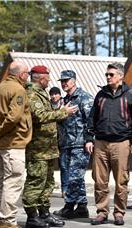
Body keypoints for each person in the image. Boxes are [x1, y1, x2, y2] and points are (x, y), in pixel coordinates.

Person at [85, 62, 132, 226]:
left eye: (111, 74)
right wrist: (89, 138)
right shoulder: (100, 94)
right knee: (100, 181)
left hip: (122, 143)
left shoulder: (131, 94)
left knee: (121, 181)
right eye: (107, 75)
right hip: (101, 143)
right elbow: (92, 119)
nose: (108, 77)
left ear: (121, 76)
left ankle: (119, 213)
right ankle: (102, 212)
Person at [22, 65, 78, 228]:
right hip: (37, 149)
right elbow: (39, 116)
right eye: (47, 77)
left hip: (47, 149)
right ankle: (32, 217)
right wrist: (63, 112)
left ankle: (44, 214)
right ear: (41, 78)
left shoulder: (41, 93)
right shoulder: (32, 94)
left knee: (47, 183)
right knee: (35, 182)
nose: (49, 80)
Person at [0, 61, 32, 228]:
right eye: (26, 73)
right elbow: (14, 117)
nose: (27, 77)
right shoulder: (19, 90)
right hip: (13, 143)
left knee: (0, 182)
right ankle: (8, 222)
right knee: (13, 182)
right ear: (20, 75)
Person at [53, 70, 94, 219]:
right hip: (66, 143)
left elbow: (91, 121)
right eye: (62, 81)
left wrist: (89, 139)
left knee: (74, 176)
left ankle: (69, 206)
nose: (64, 83)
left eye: (66, 80)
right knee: (75, 176)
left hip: (79, 144)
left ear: (74, 80)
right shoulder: (64, 100)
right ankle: (82, 206)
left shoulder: (85, 98)